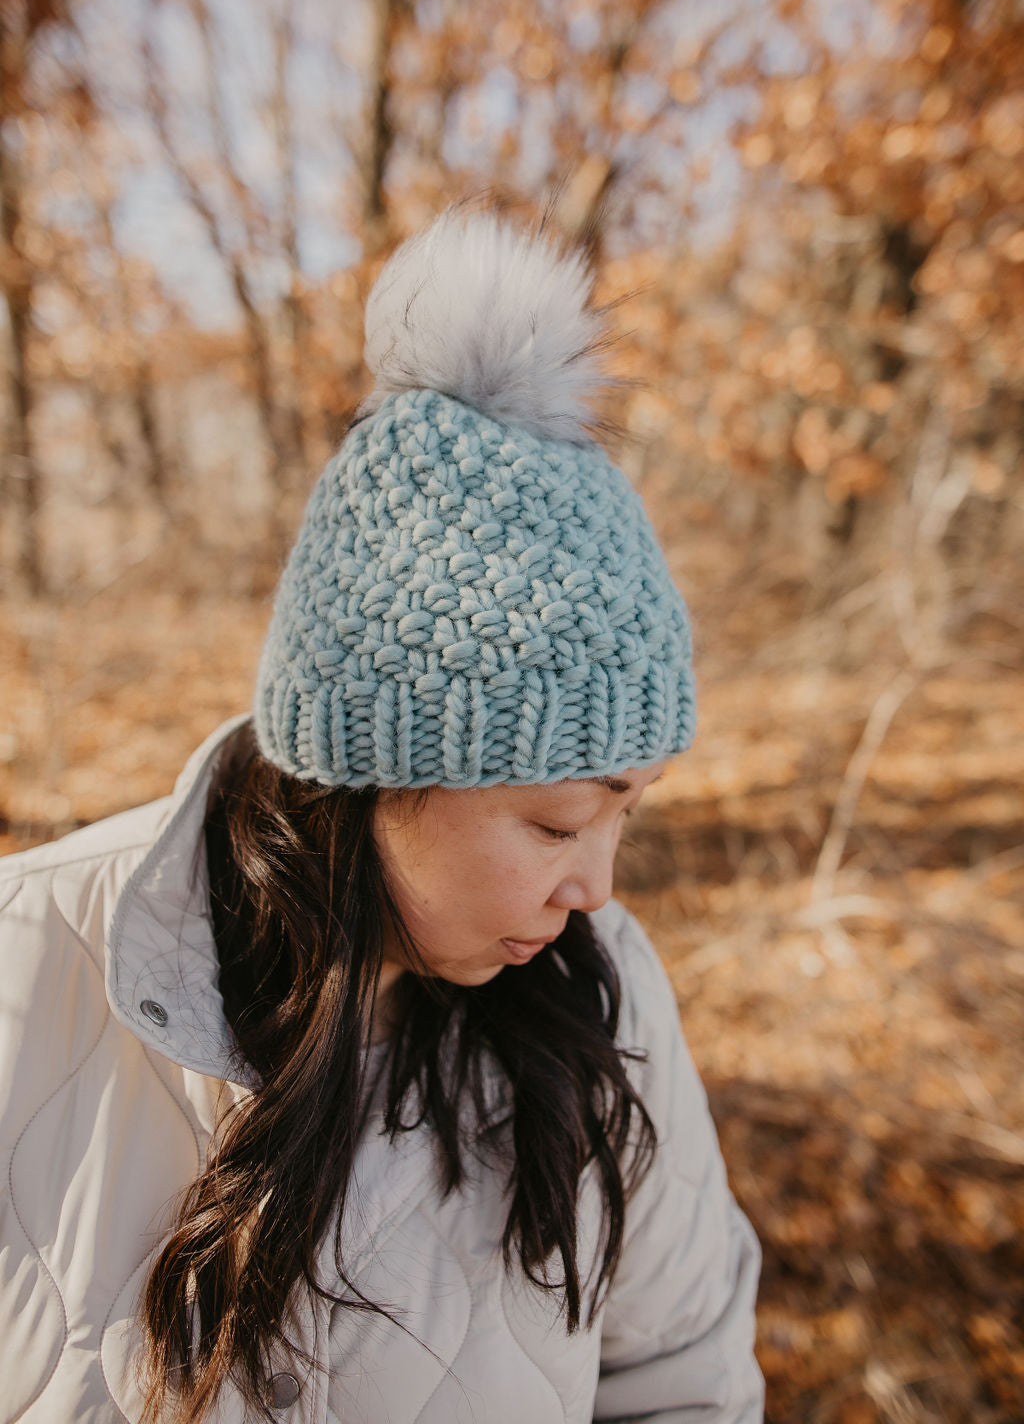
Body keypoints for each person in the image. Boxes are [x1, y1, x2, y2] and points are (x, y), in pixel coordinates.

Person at [0, 204, 764, 1424]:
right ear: (365, 777)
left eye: (628, 816)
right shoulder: (31, 964)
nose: (598, 891)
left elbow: (685, 1385)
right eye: (559, 825)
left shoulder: (606, 994)